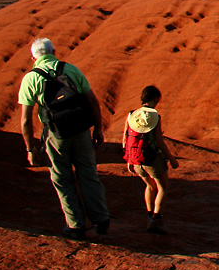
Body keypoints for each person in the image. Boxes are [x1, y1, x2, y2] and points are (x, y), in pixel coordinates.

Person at [18, 38, 110, 240]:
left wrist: (30, 148)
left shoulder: (31, 78)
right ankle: (101, 219)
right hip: (81, 130)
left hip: (55, 134)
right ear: (54, 51)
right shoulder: (71, 70)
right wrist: (98, 129)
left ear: (33, 57)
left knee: (62, 179)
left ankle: (75, 225)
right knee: (88, 173)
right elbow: (92, 101)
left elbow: (25, 120)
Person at [122, 85, 179, 234]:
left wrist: (129, 159)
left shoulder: (131, 114)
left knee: (150, 186)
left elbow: (125, 139)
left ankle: (149, 216)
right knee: (162, 187)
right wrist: (171, 159)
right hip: (151, 159)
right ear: (155, 99)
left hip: (135, 160)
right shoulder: (154, 116)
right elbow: (159, 141)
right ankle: (156, 219)